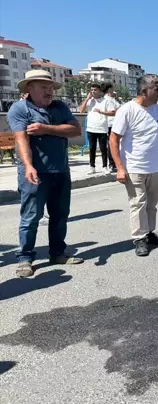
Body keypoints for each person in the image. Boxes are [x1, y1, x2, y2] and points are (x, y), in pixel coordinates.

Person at [7, 69, 84, 277]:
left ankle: (58, 252)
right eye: (44, 87)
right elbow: (21, 140)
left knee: (60, 215)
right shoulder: (19, 109)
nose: (49, 91)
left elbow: (76, 130)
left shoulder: (60, 107)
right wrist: (29, 166)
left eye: (51, 87)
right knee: (31, 216)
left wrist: (45, 128)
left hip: (61, 170)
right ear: (29, 88)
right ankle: (25, 258)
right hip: (35, 173)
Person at [109, 76, 158, 257]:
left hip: (155, 166)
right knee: (138, 203)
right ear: (144, 92)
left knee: (152, 204)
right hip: (134, 167)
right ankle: (139, 238)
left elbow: (157, 135)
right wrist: (119, 167)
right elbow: (113, 139)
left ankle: (149, 232)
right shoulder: (127, 110)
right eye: (155, 89)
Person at [101, 83, 121, 172]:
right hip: (112, 124)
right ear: (109, 89)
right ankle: (112, 164)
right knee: (112, 143)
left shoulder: (111, 99)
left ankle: (113, 163)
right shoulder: (108, 100)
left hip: (113, 124)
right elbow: (112, 112)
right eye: (112, 89)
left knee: (113, 143)